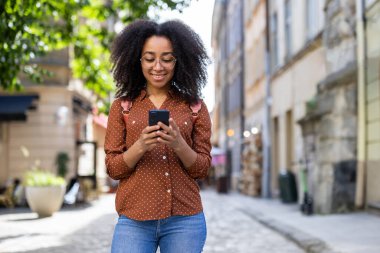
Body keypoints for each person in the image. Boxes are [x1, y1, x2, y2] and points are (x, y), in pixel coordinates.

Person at [104, 19, 212, 253]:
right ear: (138, 60)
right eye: (150, 58)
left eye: (167, 58)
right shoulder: (122, 107)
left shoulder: (195, 107)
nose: (158, 66)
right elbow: (113, 168)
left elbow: (202, 169)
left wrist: (179, 144)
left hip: (185, 220)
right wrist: (140, 146)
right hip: (134, 219)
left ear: (178, 60)